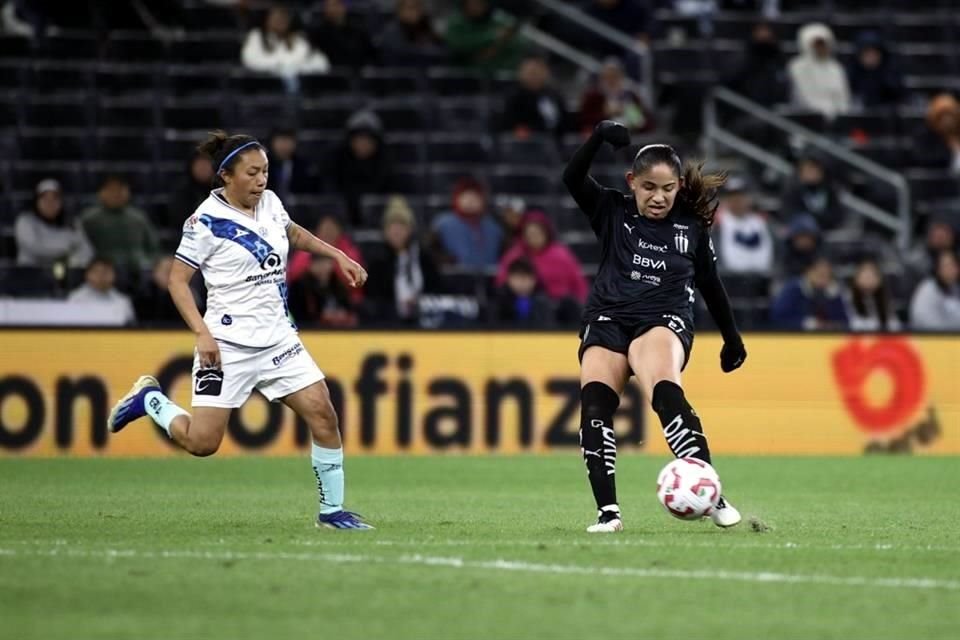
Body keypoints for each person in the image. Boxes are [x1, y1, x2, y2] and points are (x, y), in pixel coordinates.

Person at [106, 131, 372, 530]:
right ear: (226, 176)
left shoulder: (270, 203)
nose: (262, 179)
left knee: (324, 414)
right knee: (202, 443)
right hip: (227, 345)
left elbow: (292, 233)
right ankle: (151, 401)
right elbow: (178, 281)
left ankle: (331, 512)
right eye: (252, 172)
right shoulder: (204, 222)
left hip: (279, 339)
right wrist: (202, 333)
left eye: (265, 170)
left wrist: (338, 255)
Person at [562, 120, 747, 533]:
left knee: (664, 392)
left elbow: (711, 286)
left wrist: (732, 338)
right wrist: (595, 137)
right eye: (648, 187)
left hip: (661, 320)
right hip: (607, 317)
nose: (658, 197)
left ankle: (711, 495)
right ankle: (608, 513)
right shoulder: (611, 209)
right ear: (632, 182)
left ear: (680, 185)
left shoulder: (692, 228)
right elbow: (571, 177)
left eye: (667, 188)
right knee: (595, 404)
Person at [365, 195, 442, 325]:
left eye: (401, 226)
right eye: (392, 226)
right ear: (385, 231)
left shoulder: (424, 258)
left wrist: (420, 303)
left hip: (424, 322)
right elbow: (373, 298)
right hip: (388, 324)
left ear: (410, 229)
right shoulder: (377, 262)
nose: (397, 231)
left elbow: (437, 289)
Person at [495, 210, 588, 309]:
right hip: (524, 307)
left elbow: (579, 285)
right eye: (530, 233)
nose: (534, 237)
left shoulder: (562, 255)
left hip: (561, 308)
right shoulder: (514, 255)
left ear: (546, 232)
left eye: (538, 233)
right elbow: (501, 282)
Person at [81, 174, 158, 275]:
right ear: (101, 192)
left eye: (120, 189)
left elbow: (154, 248)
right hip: (103, 270)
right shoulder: (89, 219)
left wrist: (149, 262)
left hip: (139, 270)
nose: (116, 194)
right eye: (111, 190)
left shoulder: (138, 217)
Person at [241, 4, 330, 90]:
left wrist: (295, 68)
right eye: (276, 18)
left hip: (301, 84)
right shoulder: (257, 36)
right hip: (267, 85)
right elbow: (249, 60)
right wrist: (280, 65)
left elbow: (322, 63)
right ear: (267, 20)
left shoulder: (299, 39)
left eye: (283, 18)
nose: (280, 21)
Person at [330, 110, 395, 227]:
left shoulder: (386, 167)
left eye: (368, 140)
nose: (363, 144)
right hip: (342, 224)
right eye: (359, 139)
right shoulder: (337, 164)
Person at [15, 178, 93, 268]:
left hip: (66, 274)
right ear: (36, 202)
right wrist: (68, 248)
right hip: (31, 274)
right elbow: (35, 249)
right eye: (45, 199)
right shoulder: (25, 221)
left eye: (55, 199)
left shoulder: (73, 223)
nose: (50, 203)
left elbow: (87, 251)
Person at [287, 212, 364, 303]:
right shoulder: (308, 247)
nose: (328, 232)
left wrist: (333, 268)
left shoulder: (348, 249)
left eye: (332, 228)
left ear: (339, 230)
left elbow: (356, 278)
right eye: (324, 228)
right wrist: (311, 268)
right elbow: (292, 274)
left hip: (347, 301)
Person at [431, 176, 503, 270]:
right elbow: (431, 252)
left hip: (488, 279)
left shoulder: (494, 227)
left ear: (482, 201)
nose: (470, 201)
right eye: (466, 196)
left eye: (475, 197)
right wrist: (445, 261)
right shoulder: (442, 224)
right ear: (457, 199)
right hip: (452, 279)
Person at [787, 22, 850, 121]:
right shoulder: (797, 67)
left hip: (836, 121)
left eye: (823, 44)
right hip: (807, 120)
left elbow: (843, 98)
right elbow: (805, 97)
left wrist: (841, 116)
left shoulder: (836, 68)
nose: (821, 48)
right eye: (817, 44)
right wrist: (828, 112)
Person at [713, 175, 774, 274]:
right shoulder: (717, 223)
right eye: (733, 196)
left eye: (741, 196)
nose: (737, 200)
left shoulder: (763, 222)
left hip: (761, 280)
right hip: (729, 280)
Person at [770, 255, 848, 330]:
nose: (824, 278)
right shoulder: (793, 289)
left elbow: (843, 321)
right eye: (820, 274)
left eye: (827, 274)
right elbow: (778, 317)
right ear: (808, 272)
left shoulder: (834, 291)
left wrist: (831, 323)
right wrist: (805, 323)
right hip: (795, 337)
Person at [444, 0, 523, 74]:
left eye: (480, 3)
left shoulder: (498, 20)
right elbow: (458, 45)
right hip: (460, 74)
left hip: (496, 74)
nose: (477, 7)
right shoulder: (456, 23)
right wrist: (492, 37)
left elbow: (517, 43)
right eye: (473, 3)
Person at [578, 57, 654, 135]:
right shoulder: (594, 96)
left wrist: (631, 114)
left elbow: (645, 122)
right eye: (608, 77)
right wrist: (605, 113)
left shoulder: (630, 94)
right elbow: (585, 121)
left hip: (632, 135)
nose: (611, 81)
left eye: (614, 76)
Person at [501, 55, 568, 140]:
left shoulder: (554, 94)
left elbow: (565, 120)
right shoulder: (515, 96)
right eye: (531, 73)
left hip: (555, 141)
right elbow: (508, 123)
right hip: (528, 143)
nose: (534, 76)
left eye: (537, 72)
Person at [725, 21, 789, 109]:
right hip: (748, 110)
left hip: (776, 109)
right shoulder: (742, 59)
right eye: (761, 31)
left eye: (767, 31)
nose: (764, 35)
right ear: (753, 33)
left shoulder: (778, 58)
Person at [779, 151, 845, 231]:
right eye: (809, 170)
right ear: (800, 172)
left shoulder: (830, 191)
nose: (812, 173)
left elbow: (836, 215)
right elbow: (789, 214)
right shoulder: (792, 191)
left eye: (816, 170)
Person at [287, 254, 357, 328]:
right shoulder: (299, 287)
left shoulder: (338, 284)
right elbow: (297, 314)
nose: (323, 267)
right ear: (310, 265)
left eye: (326, 263)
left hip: (340, 331)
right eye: (318, 263)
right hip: (310, 331)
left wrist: (342, 314)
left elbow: (349, 308)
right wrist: (320, 316)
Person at [67, 256, 136, 326]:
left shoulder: (123, 301)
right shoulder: (76, 298)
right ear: (87, 275)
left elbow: (130, 329)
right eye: (96, 272)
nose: (101, 276)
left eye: (106, 271)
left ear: (114, 275)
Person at [308, 0, 376, 68]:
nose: (331, 9)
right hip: (327, 74)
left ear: (343, 7)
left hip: (355, 73)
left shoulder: (358, 31)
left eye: (335, 5)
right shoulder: (318, 33)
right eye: (327, 6)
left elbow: (371, 57)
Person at [375, 0, 445, 66]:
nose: (415, 12)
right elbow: (401, 55)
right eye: (410, 8)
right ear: (399, 10)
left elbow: (442, 49)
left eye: (418, 7)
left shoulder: (425, 27)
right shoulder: (392, 32)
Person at [847, 31, 903, 110]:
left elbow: (898, 96)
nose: (870, 57)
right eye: (866, 53)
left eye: (874, 53)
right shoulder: (852, 73)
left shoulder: (891, 72)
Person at [493, 257, 554, 327]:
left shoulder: (542, 301)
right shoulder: (499, 301)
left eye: (526, 277)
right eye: (518, 277)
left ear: (535, 280)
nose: (522, 282)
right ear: (509, 279)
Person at [167, 151, 215, 238]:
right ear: (191, 165)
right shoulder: (182, 191)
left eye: (206, 164)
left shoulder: (221, 190)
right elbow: (179, 220)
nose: (203, 168)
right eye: (199, 164)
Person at [845, 257, 901, 332]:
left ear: (879, 280)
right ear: (856, 279)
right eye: (864, 274)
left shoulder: (885, 302)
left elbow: (895, 327)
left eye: (872, 274)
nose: (868, 277)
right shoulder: (848, 299)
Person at [909, 250, 960, 331]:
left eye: (953, 265)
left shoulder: (955, 289)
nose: (950, 270)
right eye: (945, 266)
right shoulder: (927, 290)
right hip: (930, 339)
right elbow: (925, 322)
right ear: (937, 269)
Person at [134, 256, 186, 326]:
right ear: (155, 272)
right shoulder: (143, 297)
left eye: (174, 272)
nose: (171, 276)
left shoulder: (186, 295)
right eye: (167, 271)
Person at [265, 129, 316, 201]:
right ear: (272, 143)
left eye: (288, 141)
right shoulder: (263, 164)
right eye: (281, 141)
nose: (284, 146)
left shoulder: (303, 165)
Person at [923, 93, 960, 177]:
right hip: (938, 185)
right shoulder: (927, 138)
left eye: (950, 115)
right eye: (942, 116)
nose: (947, 121)